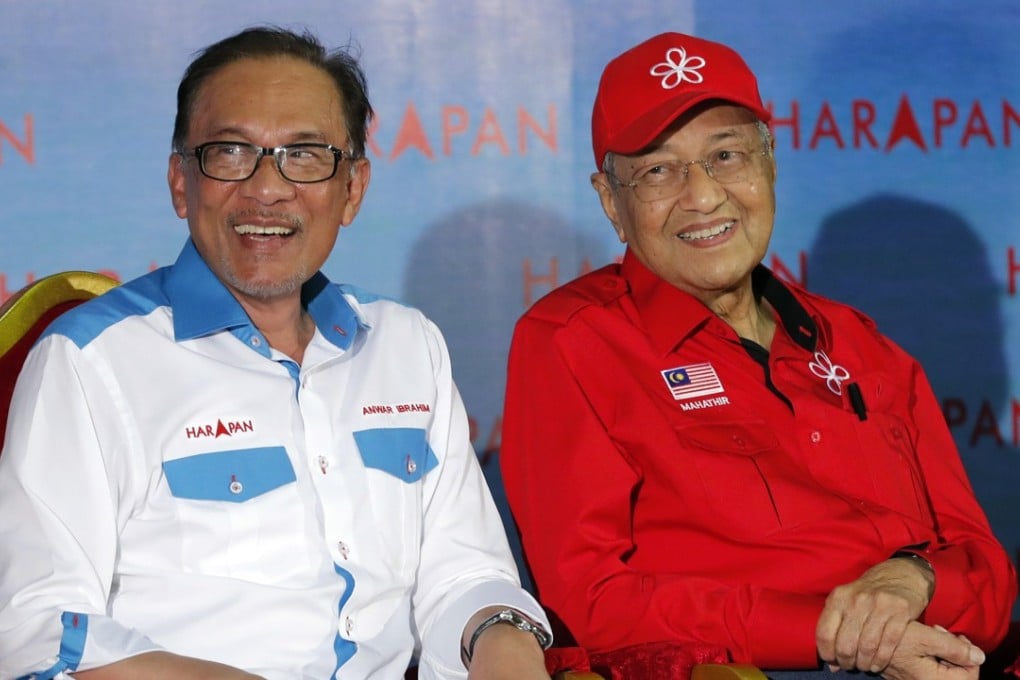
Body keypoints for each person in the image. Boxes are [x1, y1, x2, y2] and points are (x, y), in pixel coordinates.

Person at [0, 26, 553, 680]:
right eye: (231, 152)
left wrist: (501, 633)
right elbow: (37, 629)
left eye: (306, 154)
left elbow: (464, 570)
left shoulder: (407, 344)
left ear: (352, 189)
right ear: (181, 182)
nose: (267, 188)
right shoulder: (91, 361)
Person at [500, 30, 1016, 680]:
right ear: (611, 201)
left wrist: (914, 579)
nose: (703, 195)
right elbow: (591, 602)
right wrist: (836, 635)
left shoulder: (861, 343)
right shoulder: (573, 340)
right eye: (659, 170)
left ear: (769, 164)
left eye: (726, 156)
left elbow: (985, 568)